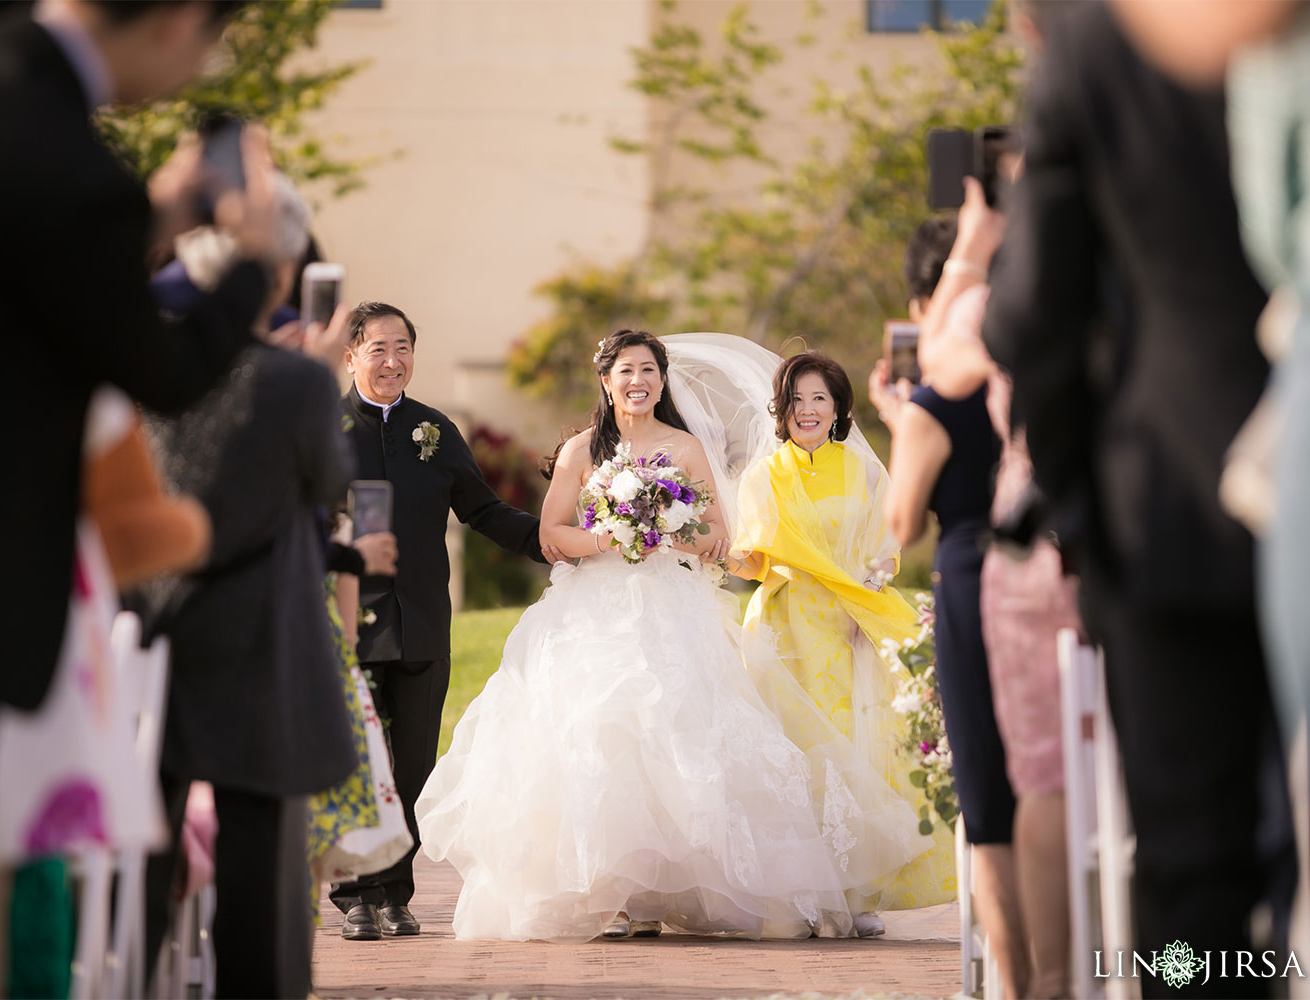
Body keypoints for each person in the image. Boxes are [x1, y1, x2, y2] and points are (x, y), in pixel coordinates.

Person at [414, 331, 926, 943]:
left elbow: (717, 535)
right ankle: (611, 895)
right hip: (595, 608)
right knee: (600, 735)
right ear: (606, 381)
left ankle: (667, 888)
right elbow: (552, 533)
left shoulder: (685, 447)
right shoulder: (582, 450)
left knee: (680, 740)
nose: (639, 381)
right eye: (627, 370)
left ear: (663, 381)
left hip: (671, 603)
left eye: (650, 371)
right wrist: (611, 537)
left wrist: (666, 533)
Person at [981, 6, 1294, 992]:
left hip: (1166, 500)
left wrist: (1074, 491)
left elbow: (1032, 307)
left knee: (1187, 869)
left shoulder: (1098, 40)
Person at [0, 0, 317, 696]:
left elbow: (42, 266)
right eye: (213, 44)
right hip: (4, 567)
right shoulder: (77, 164)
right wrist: (253, 264)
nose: (197, 69)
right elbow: (166, 372)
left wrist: (149, 215)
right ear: (180, 18)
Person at [135, 170, 358, 995]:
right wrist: (321, 374)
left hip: (152, 627)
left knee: (146, 850)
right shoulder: (294, 380)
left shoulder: (142, 363)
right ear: (277, 272)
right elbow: (327, 481)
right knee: (259, 856)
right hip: (263, 631)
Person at [326, 300, 549, 940]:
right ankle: (354, 893)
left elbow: (483, 510)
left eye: (403, 348)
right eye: (378, 349)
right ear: (350, 357)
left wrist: (554, 541)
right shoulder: (323, 429)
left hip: (421, 620)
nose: (393, 361)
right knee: (358, 760)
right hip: (348, 622)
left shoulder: (435, 429)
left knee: (413, 763)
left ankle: (395, 891)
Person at [727, 349, 957, 935]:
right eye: (796, 400)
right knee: (798, 753)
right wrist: (746, 556)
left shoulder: (862, 470)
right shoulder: (763, 475)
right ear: (781, 410)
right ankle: (806, 894)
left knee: (857, 748)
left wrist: (868, 592)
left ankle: (858, 891)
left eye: (819, 399)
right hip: (786, 628)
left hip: (849, 623)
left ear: (838, 408)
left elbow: (886, 545)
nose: (807, 411)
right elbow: (752, 559)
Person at [867, 213, 1028, 994]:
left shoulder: (936, 400)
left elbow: (901, 521)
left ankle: (1021, 978)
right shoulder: (1035, 367)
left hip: (972, 575)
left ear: (926, 302)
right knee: (1053, 775)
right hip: (1053, 566)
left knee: (989, 795)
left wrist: (905, 420)